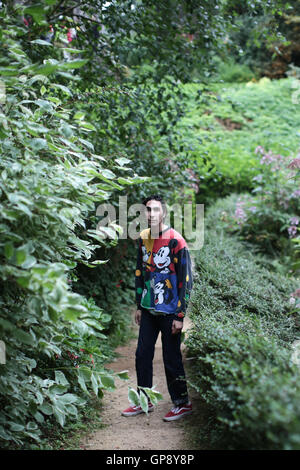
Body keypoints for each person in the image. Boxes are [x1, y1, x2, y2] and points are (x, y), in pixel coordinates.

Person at [121, 194, 193, 421]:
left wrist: (180, 315)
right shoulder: (143, 238)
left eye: (155, 210)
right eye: (147, 211)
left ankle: (182, 403)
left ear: (163, 213)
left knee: (171, 358)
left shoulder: (176, 240)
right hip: (149, 310)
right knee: (142, 354)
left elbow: (186, 280)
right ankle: (145, 401)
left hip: (170, 311)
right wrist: (139, 305)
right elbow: (140, 273)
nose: (151, 214)